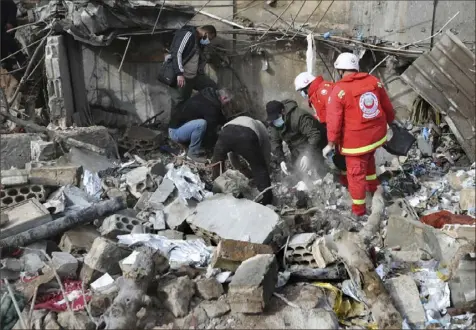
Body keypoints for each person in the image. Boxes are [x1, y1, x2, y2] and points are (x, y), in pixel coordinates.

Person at [323, 52, 398, 217]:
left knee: (355, 175)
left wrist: (330, 143)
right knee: (369, 159)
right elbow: (387, 106)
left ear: (340, 70)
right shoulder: (374, 81)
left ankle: (359, 211)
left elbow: (333, 121)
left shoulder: (339, 90)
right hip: (376, 136)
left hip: (356, 143)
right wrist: (390, 122)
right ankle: (373, 187)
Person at [294, 71, 347, 175]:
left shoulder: (323, 92)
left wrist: (332, 141)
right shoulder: (316, 93)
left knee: (345, 158)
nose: (301, 94)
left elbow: (335, 115)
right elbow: (322, 114)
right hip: (334, 130)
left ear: (306, 86)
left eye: (301, 91)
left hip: (341, 130)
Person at [211, 116, 272, 205]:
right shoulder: (262, 129)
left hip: (225, 133)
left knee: (217, 163)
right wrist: (265, 173)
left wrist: (243, 170)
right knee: (259, 169)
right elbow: (265, 156)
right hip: (246, 135)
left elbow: (233, 157)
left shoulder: (243, 120)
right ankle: (266, 200)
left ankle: (216, 192)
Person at [168, 87, 233, 163]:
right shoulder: (211, 107)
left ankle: (191, 143)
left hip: (177, 126)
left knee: (202, 124)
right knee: (201, 124)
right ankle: (192, 153)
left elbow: (218, 115)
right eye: (227, 102)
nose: (227, 104)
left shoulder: (207, 95)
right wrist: (213, 146)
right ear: (223, 98)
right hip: (176, 132)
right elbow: (210, 130)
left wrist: (227, 122)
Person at [266, 99, 326, 174]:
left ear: (283, 111)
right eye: (273, 119)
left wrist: (307, 154)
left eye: (277, 117)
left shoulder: (299, 116)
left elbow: (314, 135)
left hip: (314, 144)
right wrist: (281, 160)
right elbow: (275, 142)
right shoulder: (274, 123)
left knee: (318, 170)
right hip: (295, 148)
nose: (275, 121)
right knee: (299, 173)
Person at [167, 25, 218, 108]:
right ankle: (176, 120)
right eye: (210, 38)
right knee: (179, 103)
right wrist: (179, 74)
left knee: (212, 87)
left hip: (193, 76)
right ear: (206, 33)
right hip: (181, 76)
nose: (209, 41)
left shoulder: (199, 42)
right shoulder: (188, 35)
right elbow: (177, 53)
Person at [1, 0, 26, 79]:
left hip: (7, 28)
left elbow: (12, 7)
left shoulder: (7, 2)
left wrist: (10, 22)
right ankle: (6, 64)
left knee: (5, 38)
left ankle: (22, 60)